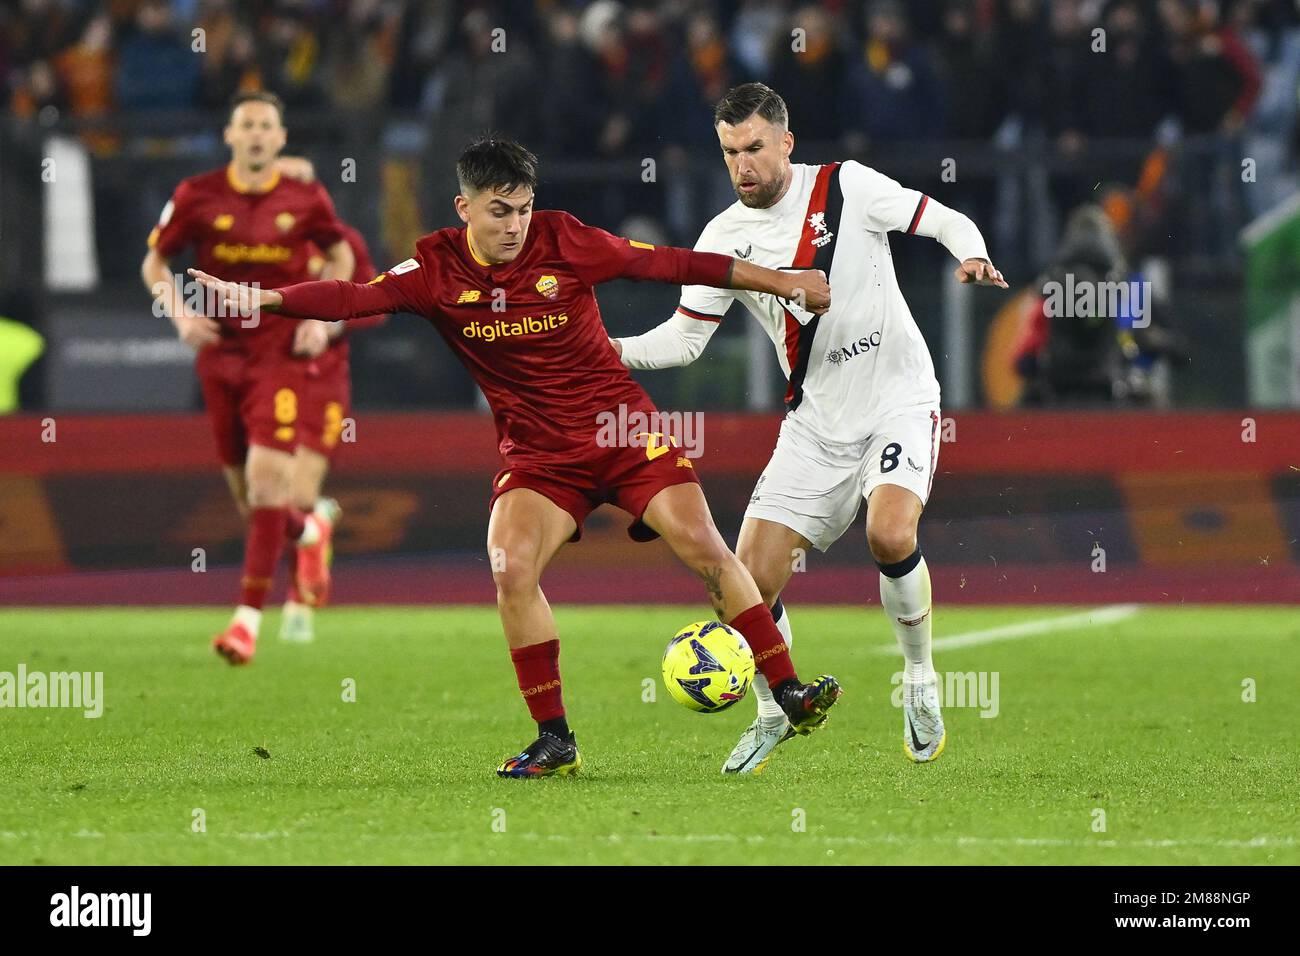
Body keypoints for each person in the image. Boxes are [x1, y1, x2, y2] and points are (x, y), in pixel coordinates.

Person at [188, 137, 843, 778]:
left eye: (524, 208)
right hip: (538, 458)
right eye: (500, 211)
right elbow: (355, 298)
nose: (516, 224)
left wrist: (784, 282)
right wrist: (268, 298)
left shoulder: (567, 241)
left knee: (703, 545)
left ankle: (787, 692)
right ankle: (554, 739)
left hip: (623, 432)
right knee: (511, 570)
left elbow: (676, 264)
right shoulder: (435, 272)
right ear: (464, 207)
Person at [613, 83, 1008, 772]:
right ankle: (773, 712)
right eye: (731, 152)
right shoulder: (721, 238)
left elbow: (942, 218)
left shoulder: (847, 186)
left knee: (890, 533)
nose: (744, 166)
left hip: (897, 398)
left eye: (756, 148)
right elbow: (684, 341)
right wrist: (606, 350)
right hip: (816, 422)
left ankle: (919, 681)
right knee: (743, 587)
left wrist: (968, 253)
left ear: (786, 143)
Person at [141, 92, 355, 665]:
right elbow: (154, 262)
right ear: (230, 136)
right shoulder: (196, 195)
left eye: (267, 126)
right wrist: (180, 312)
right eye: (247, 125)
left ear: (281, 139)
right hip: (220, 352)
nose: (257, 134)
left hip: (278, 351)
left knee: (265, 485)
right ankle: (307, 532)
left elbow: (344, 261)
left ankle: (245, 623)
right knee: (249, 499)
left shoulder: (306, 199)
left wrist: (317, 318)